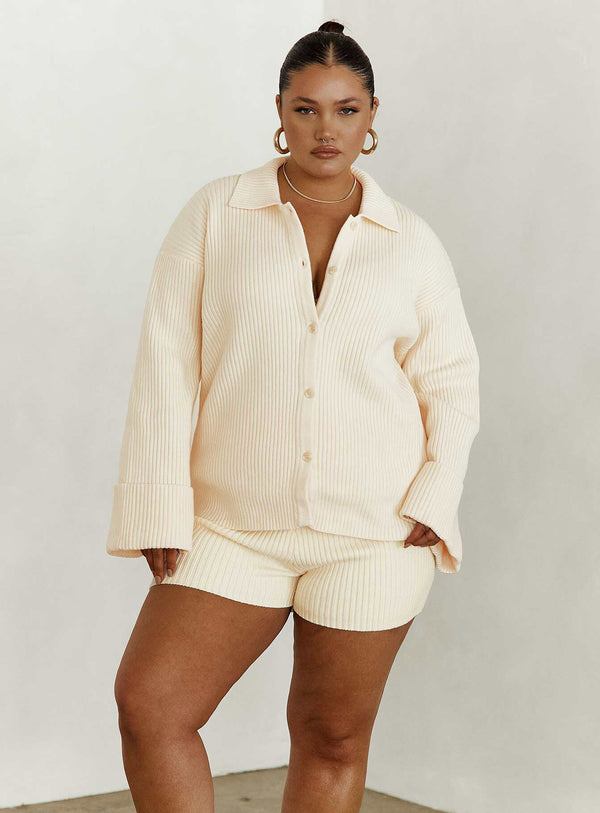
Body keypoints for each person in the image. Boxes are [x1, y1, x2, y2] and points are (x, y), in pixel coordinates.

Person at [108, 19, 480, 813]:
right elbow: (166, 364)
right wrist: (157, 502)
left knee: (332, 737)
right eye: (307, 108)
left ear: (372, 117)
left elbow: (451, 380)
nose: (326, 129)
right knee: (152, 706)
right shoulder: (217, 213)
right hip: (231, 525)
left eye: (346, 109)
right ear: (280, 110)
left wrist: (436, 493)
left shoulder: (411, 242)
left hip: (374, 531)